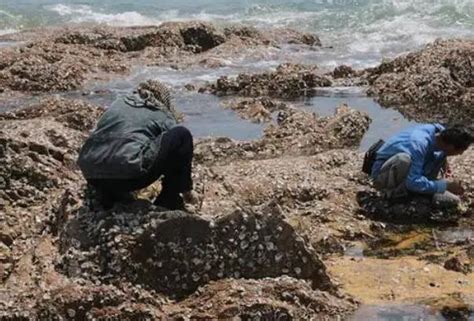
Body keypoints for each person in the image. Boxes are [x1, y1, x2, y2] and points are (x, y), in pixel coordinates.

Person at [78, 80, 197, 210]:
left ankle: (108, 196)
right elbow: (175, 151)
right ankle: (170, 198)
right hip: (131, 176)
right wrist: (186, 188)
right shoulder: (161, 112)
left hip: (91, 174)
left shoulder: (117, 104)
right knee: (181, 135)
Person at [369, 124, 472, 207]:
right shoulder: (418, 144)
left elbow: (441, 152)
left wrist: (445, 165)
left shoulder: (441, 134)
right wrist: (445, 185)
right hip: (384, 174)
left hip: (414, 173)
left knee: (453, 200)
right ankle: (393, 194)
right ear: (450, 146)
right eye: (460, 150)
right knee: (404, 160)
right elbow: (412, 182)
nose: (460, 154)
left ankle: (417, 191)